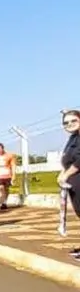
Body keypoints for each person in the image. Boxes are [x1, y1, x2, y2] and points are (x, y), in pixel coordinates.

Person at [57, 110, 80, 259]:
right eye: (66, 122)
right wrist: (62, 173)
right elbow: (68, 159)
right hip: (73, 180)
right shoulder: (73, 137)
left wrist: (66, 173)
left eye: (73, 121)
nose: (69, 124)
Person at [0, 143, 16, 210]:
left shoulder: (10, 155)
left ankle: (5, 202)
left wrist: (13, 175)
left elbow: (13, 165)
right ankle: (2, 203)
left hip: (7, 175)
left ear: (3, 148)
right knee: (0, 188)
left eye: (0, 149)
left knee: (6, 189)